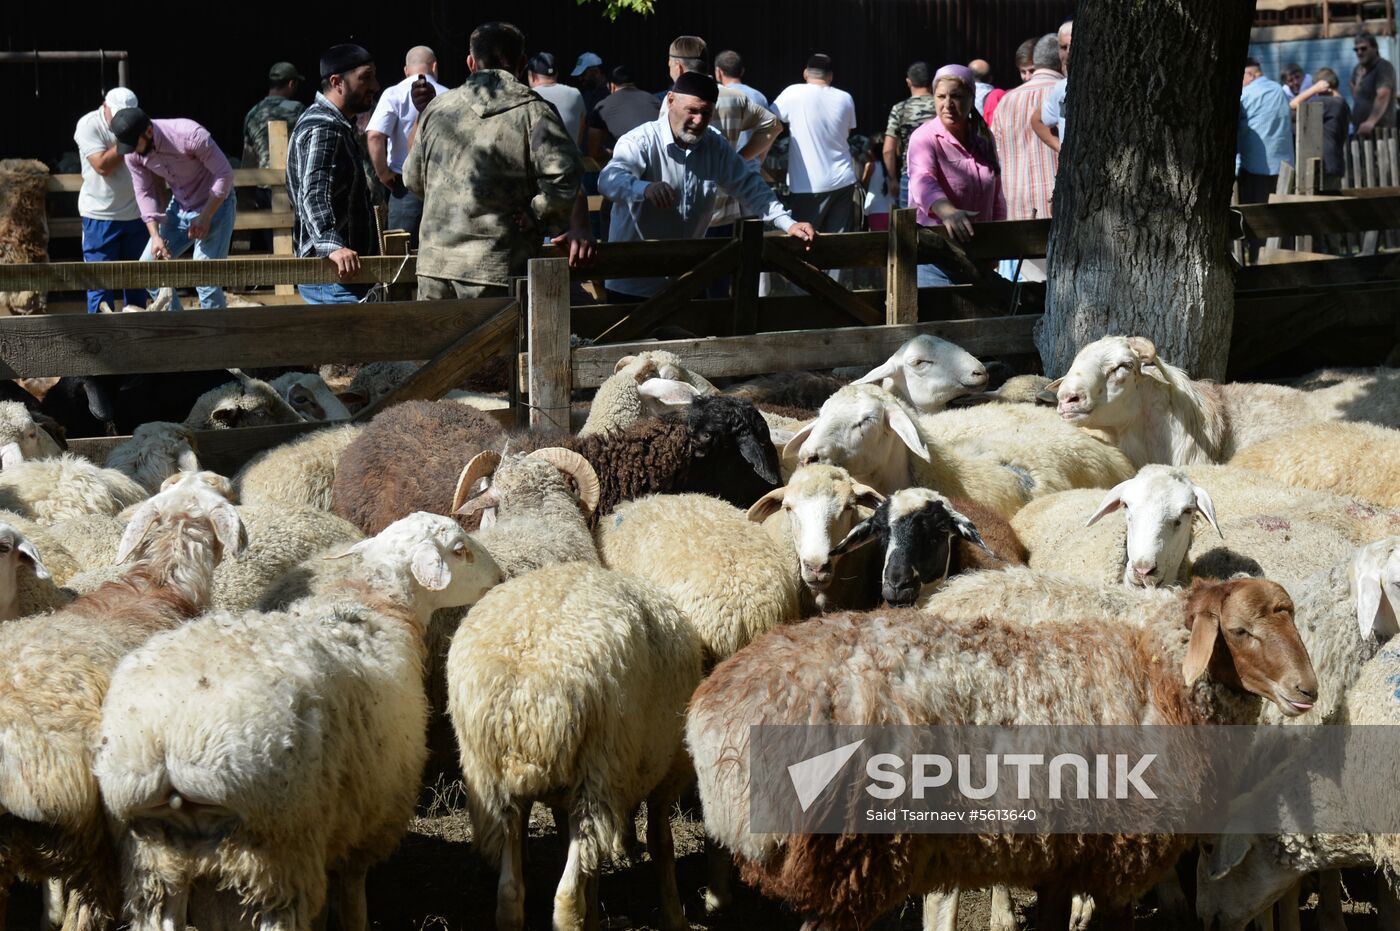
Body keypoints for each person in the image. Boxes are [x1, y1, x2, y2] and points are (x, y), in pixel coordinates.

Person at [403, 21, 585, 301]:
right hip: (499, 266)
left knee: (439, 333)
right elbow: (566, 175)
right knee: (499, 333)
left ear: (471, 62)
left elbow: (412, 178)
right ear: (522, 64)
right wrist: (538, 214)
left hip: (435, 266)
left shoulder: (437, 110)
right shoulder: (535, 113)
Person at [598, 71, 815, 300]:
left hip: (688, 280)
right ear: (670, 101)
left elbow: (749, 186)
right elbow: (609, 180)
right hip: (634, 282)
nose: (699, 120)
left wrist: (787, 223)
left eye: (706, 113)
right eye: (692, 111)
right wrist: (643, 188)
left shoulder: (714, 144)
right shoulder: (640, 141)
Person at [286, 43, 382, 304]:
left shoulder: (333, 124)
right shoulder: (324, 127)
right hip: (334, 276)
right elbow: (313, 193)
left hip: (341, 275)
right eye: (365, 78)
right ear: (337, 82)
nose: (375, 86)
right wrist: (332, 245)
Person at [113, 107, 236, 309]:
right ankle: (179, 325)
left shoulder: (189, 135)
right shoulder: (133, 154)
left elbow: (225, 174)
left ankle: (214, 329)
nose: (132, 151)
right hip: (181, 207)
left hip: (216, 205)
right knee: (148, 270)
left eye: (134, 145)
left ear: (148, 132)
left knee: (206, 279)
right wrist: (155, 236)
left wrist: (206, 216)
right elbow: (144, 192)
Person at [907, 65, 1005, 286]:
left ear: (972, 98)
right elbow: (922, 180)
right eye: (941, 96)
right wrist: (948, 212)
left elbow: (996, 195)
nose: (948, 104)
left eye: (957, 96)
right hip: (936, 257)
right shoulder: (924, 137)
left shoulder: (983, 137)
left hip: (979, 257)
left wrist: (998, 245)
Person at [366, 46, 448, 247]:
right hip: (444, 187)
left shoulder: (393, 93)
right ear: (435, 67)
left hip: (405, 187)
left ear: (406, 70)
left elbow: (375, 136)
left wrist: (384, 175)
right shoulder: (449, 95)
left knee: (400, 254)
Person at [74, 86, 146, 313]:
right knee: (100, 287)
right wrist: (128, 140)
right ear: (105, 106)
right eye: (117, 116)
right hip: (100, 217)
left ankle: (138, 334)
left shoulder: (143, 125)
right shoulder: (88, 125)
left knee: (137, 285)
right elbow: (102, 166)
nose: (122, 121)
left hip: (136, 216)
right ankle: (100, 336)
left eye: (128, 116)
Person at [772, 53, 859, 234]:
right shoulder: (845, 98)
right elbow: (848, 132)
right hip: (843, 179)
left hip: (807, 184)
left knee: (805, 240)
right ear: (830, 76)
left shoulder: (793, 93)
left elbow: (769, 121)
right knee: (840, 243)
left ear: (805, 73)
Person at [992, 34, 1062, 224]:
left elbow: (995, 152)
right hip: (1059, 203)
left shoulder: (1006, 101)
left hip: (1016, 204)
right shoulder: (1065, 93)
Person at [1238, 57, 1294, 203]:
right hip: (1284, 168)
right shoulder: (1279, 90)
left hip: (1255, 168)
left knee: (1253, 212)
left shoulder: (1245, 94)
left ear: (1250, 74)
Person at [882, 61, 937, 208]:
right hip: (940, 173)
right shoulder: (942, 106)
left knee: (909, 220)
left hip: (910, 174)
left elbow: (888, 150)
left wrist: (892, 179)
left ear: (908, 82)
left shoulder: (900, 108)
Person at [1290, 68, 1351, 192]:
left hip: (1324, 164)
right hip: (1335, 162)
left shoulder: (1328, 102)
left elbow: (1293, 104)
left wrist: (1313, 90)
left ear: (1324, 88)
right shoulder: (1343, 103)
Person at [585, 65, 660, 161]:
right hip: (661, 157)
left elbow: (594, 151)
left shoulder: (602, 106)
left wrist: (612, 153)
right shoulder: (654, 100)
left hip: (631, 162)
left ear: (611, 86)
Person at [243, 62, 307, 170]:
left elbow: (249, 157)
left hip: (262, 178)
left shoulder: (252, 113)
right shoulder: (297, 109)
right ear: (291, 84)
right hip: (291, 177)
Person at [528, 52, 586, 146]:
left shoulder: (527, 96)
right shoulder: (576, 94)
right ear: (557, 74)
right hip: (570, 154)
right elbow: (581, 132)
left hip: (539, 155)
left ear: (532, 76)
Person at [1035, 20, 1073, 154]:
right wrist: (1060, 148)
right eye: (1063, 47)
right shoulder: (1060, 87)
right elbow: (1036, 120)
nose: (1068, 53)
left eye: (1073, 45)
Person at [1351, 33, 1396, 138]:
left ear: (1375, 48)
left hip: (1380, 132)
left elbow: (1383, 95)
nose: (1359, 52)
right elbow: (1354, 89)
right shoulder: (1358, 69)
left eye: (1363, 48)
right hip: (1360, 130)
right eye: (1356, 50)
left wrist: (1370, 122)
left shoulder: (1383, 67)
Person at [859, 134, 892, 231]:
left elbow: (863, 184)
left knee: (878, 239)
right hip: (892, 208)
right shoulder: (893, 167)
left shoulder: (870, 166)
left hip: (875, 209)